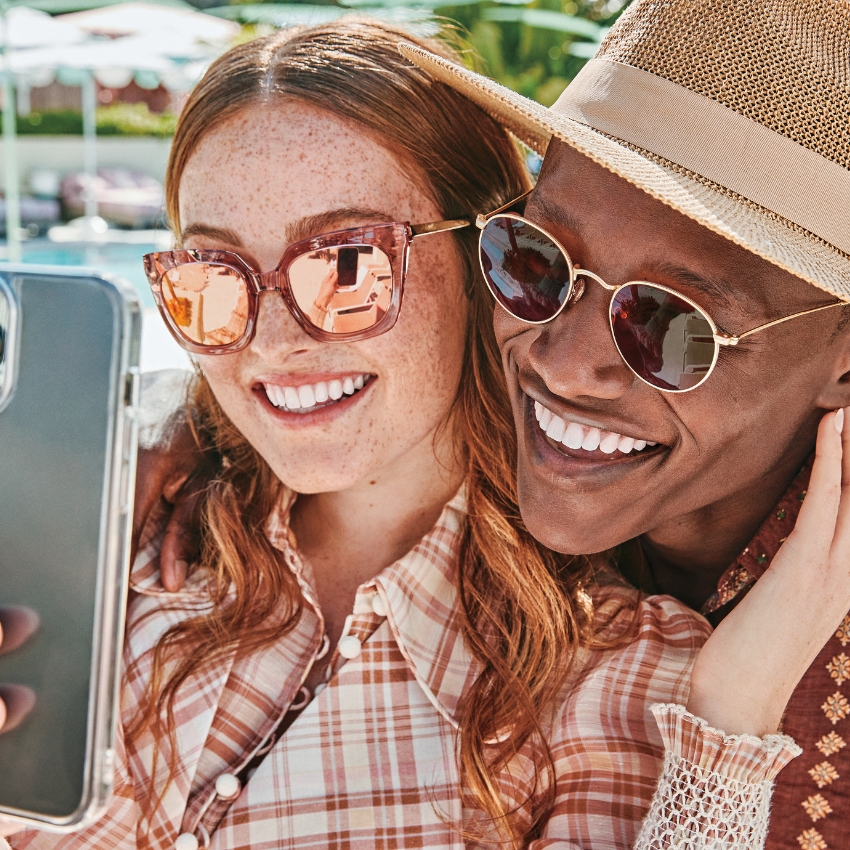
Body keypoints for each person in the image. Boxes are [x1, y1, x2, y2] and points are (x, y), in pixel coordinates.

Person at [0, 19, 715, 850]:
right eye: (212, 280)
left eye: (347, 267)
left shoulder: (620, 677)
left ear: (491, 260)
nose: (271, 341)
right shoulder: (106, 547)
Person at [400, 0, 850, 845]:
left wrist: (729, 718)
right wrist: (192, 432)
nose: (562, 363)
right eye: (536, 262)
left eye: (670, 326)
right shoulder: (474, 421)